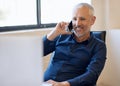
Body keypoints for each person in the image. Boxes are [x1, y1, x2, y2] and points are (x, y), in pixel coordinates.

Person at [43, 3, 107, 86]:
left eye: (82, 19)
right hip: (45, 83)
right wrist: (54, 33)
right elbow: (36, 52)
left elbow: (92, 75)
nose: (77, 24)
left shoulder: (99, 46)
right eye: (74, 19)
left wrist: (63, 84)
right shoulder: (61, 36)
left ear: (92, 20)